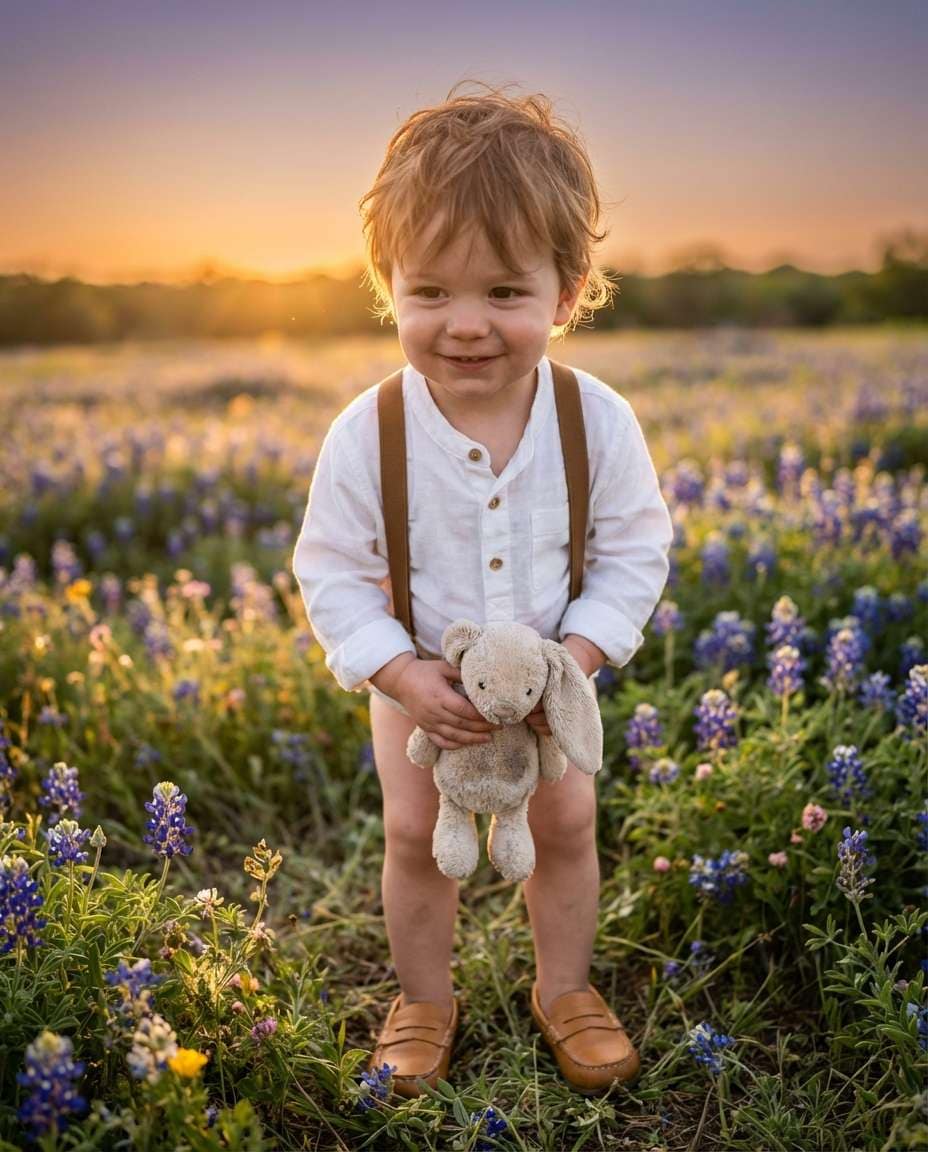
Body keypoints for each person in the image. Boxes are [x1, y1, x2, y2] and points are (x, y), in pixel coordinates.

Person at [291, 81, 673, 1096]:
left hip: (553, 697)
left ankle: (565, 988)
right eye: (430, 293)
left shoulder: (598, 420)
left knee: (566, 828)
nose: (465, 325)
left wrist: (576, 658)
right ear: (388, 284)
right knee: (415, 837)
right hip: (417, 696)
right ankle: (422, 997)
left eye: (503, 293)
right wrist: (400, 673)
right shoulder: (364, 432)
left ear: (567, 287)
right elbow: (328, 568)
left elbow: (637, 551)